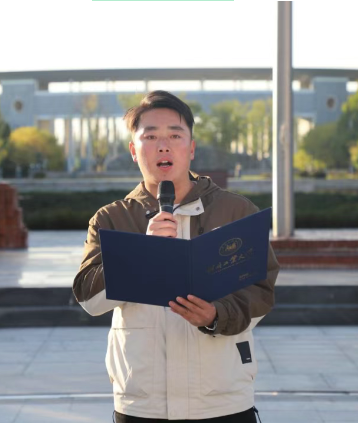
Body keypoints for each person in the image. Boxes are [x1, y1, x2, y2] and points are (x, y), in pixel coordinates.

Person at [72, 90, 280, 422]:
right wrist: (141, 253)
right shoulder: (111, 219)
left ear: (191, 148)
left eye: (174, 135)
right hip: (142, 404)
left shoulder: (236, 211)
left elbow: (261, 293)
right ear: (133, 150)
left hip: (221, 401)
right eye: (150, 136)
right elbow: (89, 300)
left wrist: (216, 316)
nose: (163, 146)